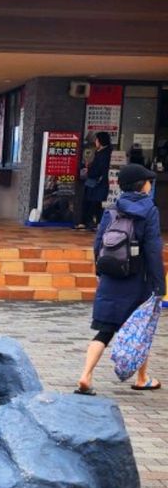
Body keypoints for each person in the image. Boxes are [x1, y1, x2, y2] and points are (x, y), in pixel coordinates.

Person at [76, 163, 166, 395]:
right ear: (142, 185)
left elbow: (99, 244)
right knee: (141, 329)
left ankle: (85, 375)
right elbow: (153, 249)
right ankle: (142, 378)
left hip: (111, 277)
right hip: (138, 280)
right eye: (148, 181)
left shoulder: (112, 210)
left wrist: (100, 271)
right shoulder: (150, 210)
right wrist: (159, 283)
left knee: (104, 331)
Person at [75, 131, 112, 231]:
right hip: (96, 182)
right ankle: (91, 223)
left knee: (93, 203)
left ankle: (92, 223)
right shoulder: (102, 152)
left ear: (100, 141)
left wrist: (89, 170)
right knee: (93, 203)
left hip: (97, 182)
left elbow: (99, 169)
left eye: (96, 140)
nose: (95, 142)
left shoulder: (104, 154)